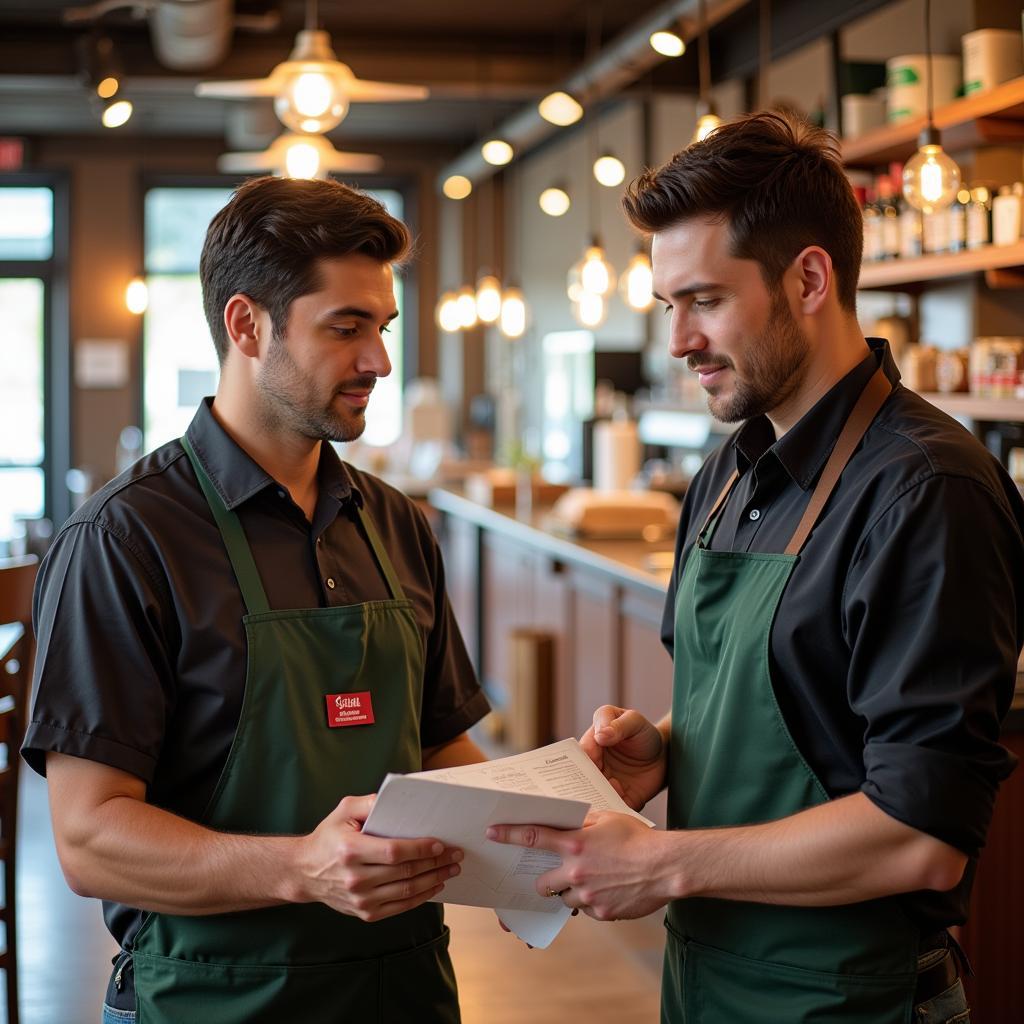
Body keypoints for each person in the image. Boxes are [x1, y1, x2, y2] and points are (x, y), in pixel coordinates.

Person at [488, 112, 1024, 1023]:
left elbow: (921, 837)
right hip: (709, 983)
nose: (677, 341)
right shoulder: (731, 470)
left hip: (854, 996)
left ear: (809, 278)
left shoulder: (926, 492)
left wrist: (661, 862)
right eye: (667, 307)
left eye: (704, 300)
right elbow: (780, 696)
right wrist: (664, 748)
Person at [23, 176, 490, 1024]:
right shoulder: (126, 540)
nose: (380, 361)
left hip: (406, 991)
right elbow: (90, 840)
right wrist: (300, 868)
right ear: (247, 325)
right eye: (346, 327)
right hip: (210, 998)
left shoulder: (395, 523)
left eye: (381, 328)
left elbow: (442, 745)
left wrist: (558, 813)